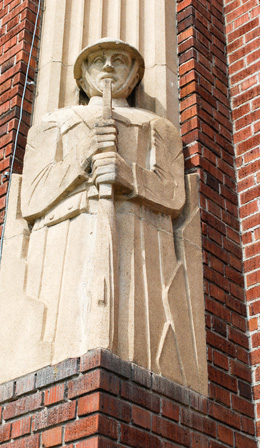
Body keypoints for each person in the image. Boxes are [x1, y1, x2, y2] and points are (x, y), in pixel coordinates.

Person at [21, 38, 189, 375]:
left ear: (135, 75)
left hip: (140, 239)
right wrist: (82, 159)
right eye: (98, 60)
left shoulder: (157, 126)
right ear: (82, 77)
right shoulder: (54, 123)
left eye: (119, 60)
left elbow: (174, 194)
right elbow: (31, 197)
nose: (109, 66)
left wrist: (130, 176)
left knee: (136, 335)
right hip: (65, 237)